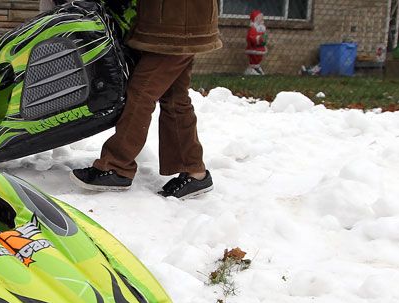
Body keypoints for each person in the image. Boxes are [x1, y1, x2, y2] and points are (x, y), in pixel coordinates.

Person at [70, 0, 221, 200]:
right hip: (179, 24)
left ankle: (116, 166)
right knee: (175, 99)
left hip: (175, 28)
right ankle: (194, 171)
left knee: (141, 92)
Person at [244, 10, 268, 76]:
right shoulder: (252, 29)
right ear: (255, 19)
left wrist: (264, 39)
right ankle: (251, 69)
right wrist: (258, 39)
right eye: (259, 18)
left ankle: (257, 68)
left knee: (259, 58)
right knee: (254, 58)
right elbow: (250, 37)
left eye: (262, 18)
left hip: (260, 47)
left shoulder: (261, 28)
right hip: (253, 47)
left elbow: (263, 36)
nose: (261, 20)